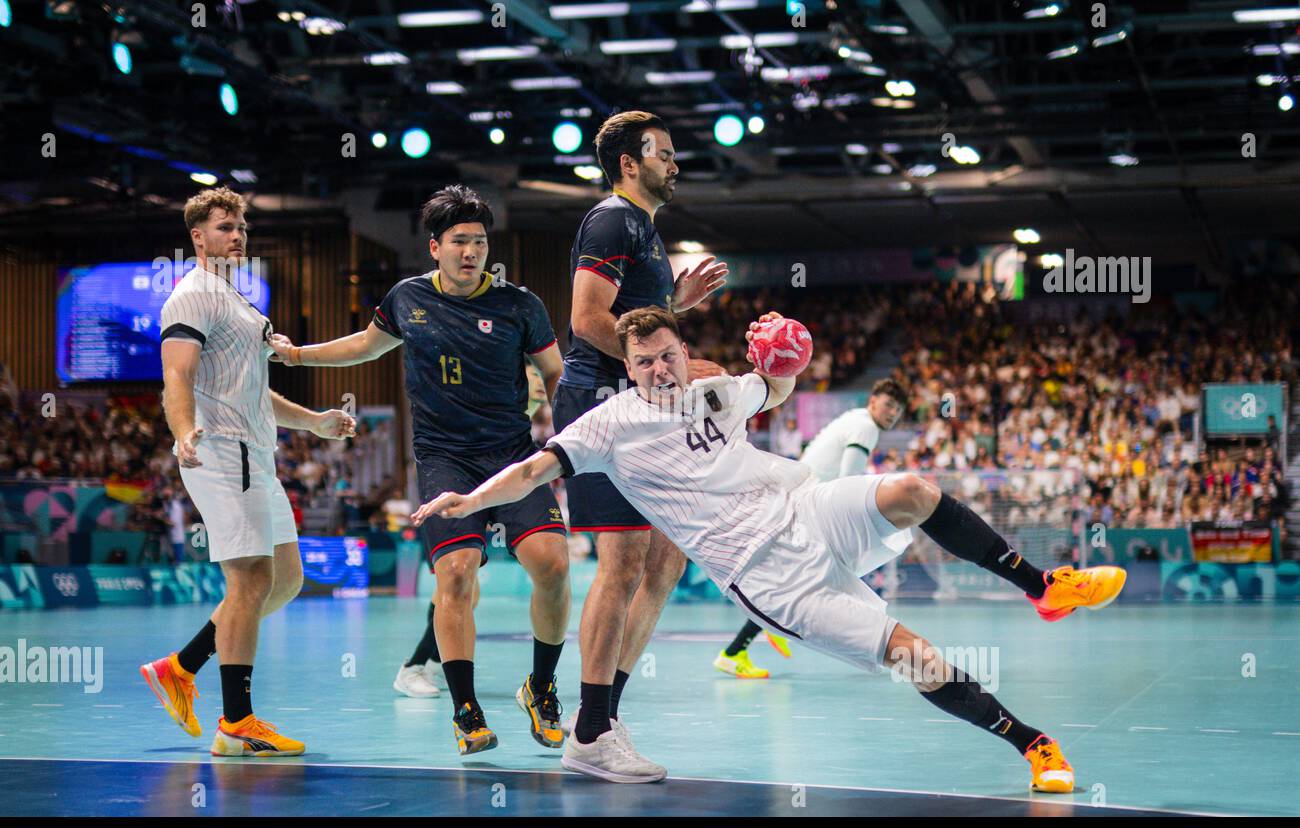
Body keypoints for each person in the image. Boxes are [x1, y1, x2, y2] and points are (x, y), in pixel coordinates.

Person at [412, 308, 1127, 789]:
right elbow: (536, 469)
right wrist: (472, 502)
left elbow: (776, 387)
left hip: (806, 508)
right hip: (769, 577)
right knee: (919, 657)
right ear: (627, 368)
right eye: (644, 362)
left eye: (668, 356)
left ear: (683, 352)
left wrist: (784, 347)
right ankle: (1032, 744)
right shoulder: (610, 427)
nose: (660, 371)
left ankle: (1043, 587)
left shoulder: (716, 389)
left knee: (910, 488)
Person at [267, 185, 570, 756]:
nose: (470, 252)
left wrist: (573, 442)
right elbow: (364, 345)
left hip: (512, 455)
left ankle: (543, 685)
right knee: (455, 573)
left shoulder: (520, 305)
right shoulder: (407, 299)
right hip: (444, 459)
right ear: (435, 247)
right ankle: (466, 708)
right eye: (459, 242)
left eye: (479, 242)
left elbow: (556, 375)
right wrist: (299, 356)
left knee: (552, 565)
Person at [140, 186, 356, 757]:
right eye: (224, 227)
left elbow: (256, 393)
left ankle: (179, 668)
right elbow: (177, 377)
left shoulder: (238, 303)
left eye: (240, 226)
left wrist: (315, 422)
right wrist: (184, 431)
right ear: (198, 237)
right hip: (220, 451)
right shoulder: (191, 297)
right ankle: (236, 722)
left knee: (285, 579)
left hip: (256, 456)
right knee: (250, 582)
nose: (236, 235)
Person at [551, 110, 729, 779]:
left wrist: (671, 305)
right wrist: (671, 364)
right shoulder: (612, 220)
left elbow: (633, 322)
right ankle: (591, 732)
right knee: (623, 561)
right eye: (665, 154)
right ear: (631, 162)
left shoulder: (646, 231)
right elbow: (588, 319)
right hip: (603, 402)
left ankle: (602, 717)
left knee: (665, 562)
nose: (674, 163)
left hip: (641, 403)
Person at [714, 378, 908, 679]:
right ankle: (743, 645)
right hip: (810, 506)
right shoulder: (865, 426)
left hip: (801, 499)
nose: (892, 413)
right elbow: (850, 479)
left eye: (898, 409)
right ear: (873, 402)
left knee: (797, 582)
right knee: (812, 581)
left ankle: (743, 645)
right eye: (888, 405)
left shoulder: (855, 419)